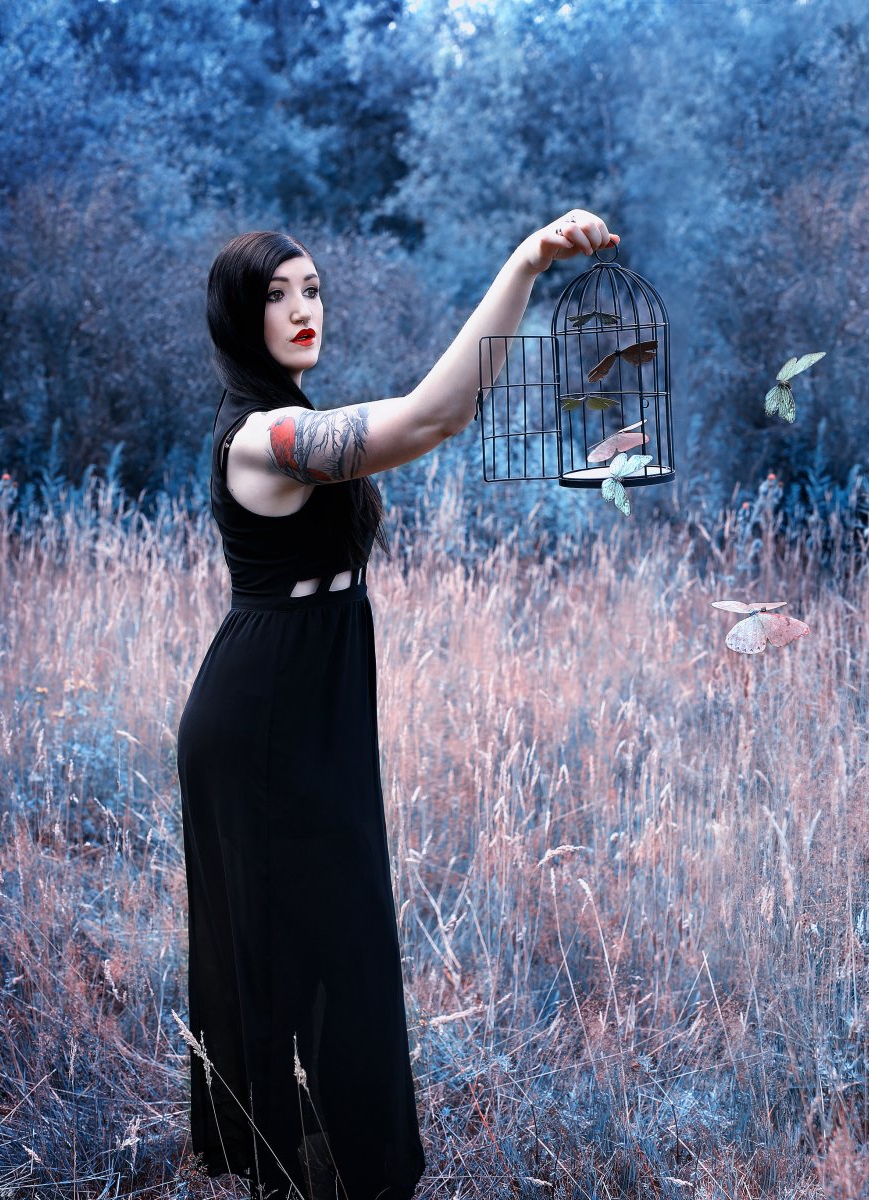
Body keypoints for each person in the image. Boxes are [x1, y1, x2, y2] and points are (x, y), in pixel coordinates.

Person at [175, 210, 617, 1198]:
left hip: (309, 701)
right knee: (305, 945)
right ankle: (299, 1170)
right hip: (261, 720)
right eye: (274, 296)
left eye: (311, 289)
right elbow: (429, 418)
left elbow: (423, 422)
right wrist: (525, 262)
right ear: (236, 320)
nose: (299, 310)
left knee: (342, 940)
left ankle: (331, 1170)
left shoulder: (294, 416)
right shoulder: (263, 437)